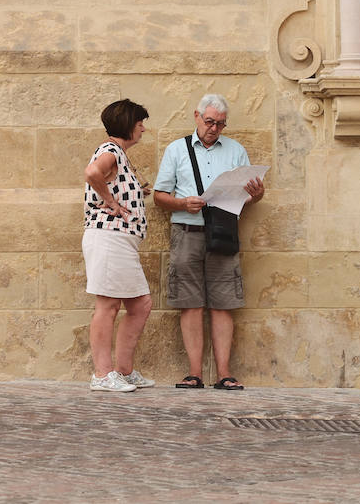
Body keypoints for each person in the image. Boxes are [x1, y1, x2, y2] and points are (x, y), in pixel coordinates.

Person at [152, 93, 265, 390]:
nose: (214, 128)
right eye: (210, 121)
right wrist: (181, 204)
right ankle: (194, 374)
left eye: (221, 124)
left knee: (223, 302)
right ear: (197, 117)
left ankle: (224, 373)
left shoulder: (236, 150)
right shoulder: (177, 150)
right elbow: (159, 196)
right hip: (186, 232)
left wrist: (256, 194)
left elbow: (248, 197)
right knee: (189, 303)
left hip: (223, 231)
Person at [82, 98, 155, 393]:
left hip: (122, 240)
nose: (143, 130)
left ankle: (123, 371)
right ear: (128, 125)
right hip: (109, 237)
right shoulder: (110, 150)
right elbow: (92, 173)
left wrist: (136, 193)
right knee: (109, 305)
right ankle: (102, 374)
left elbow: (111, 181)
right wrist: (110, 201)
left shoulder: (119, 154)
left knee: (140, 304)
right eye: (140, 124)